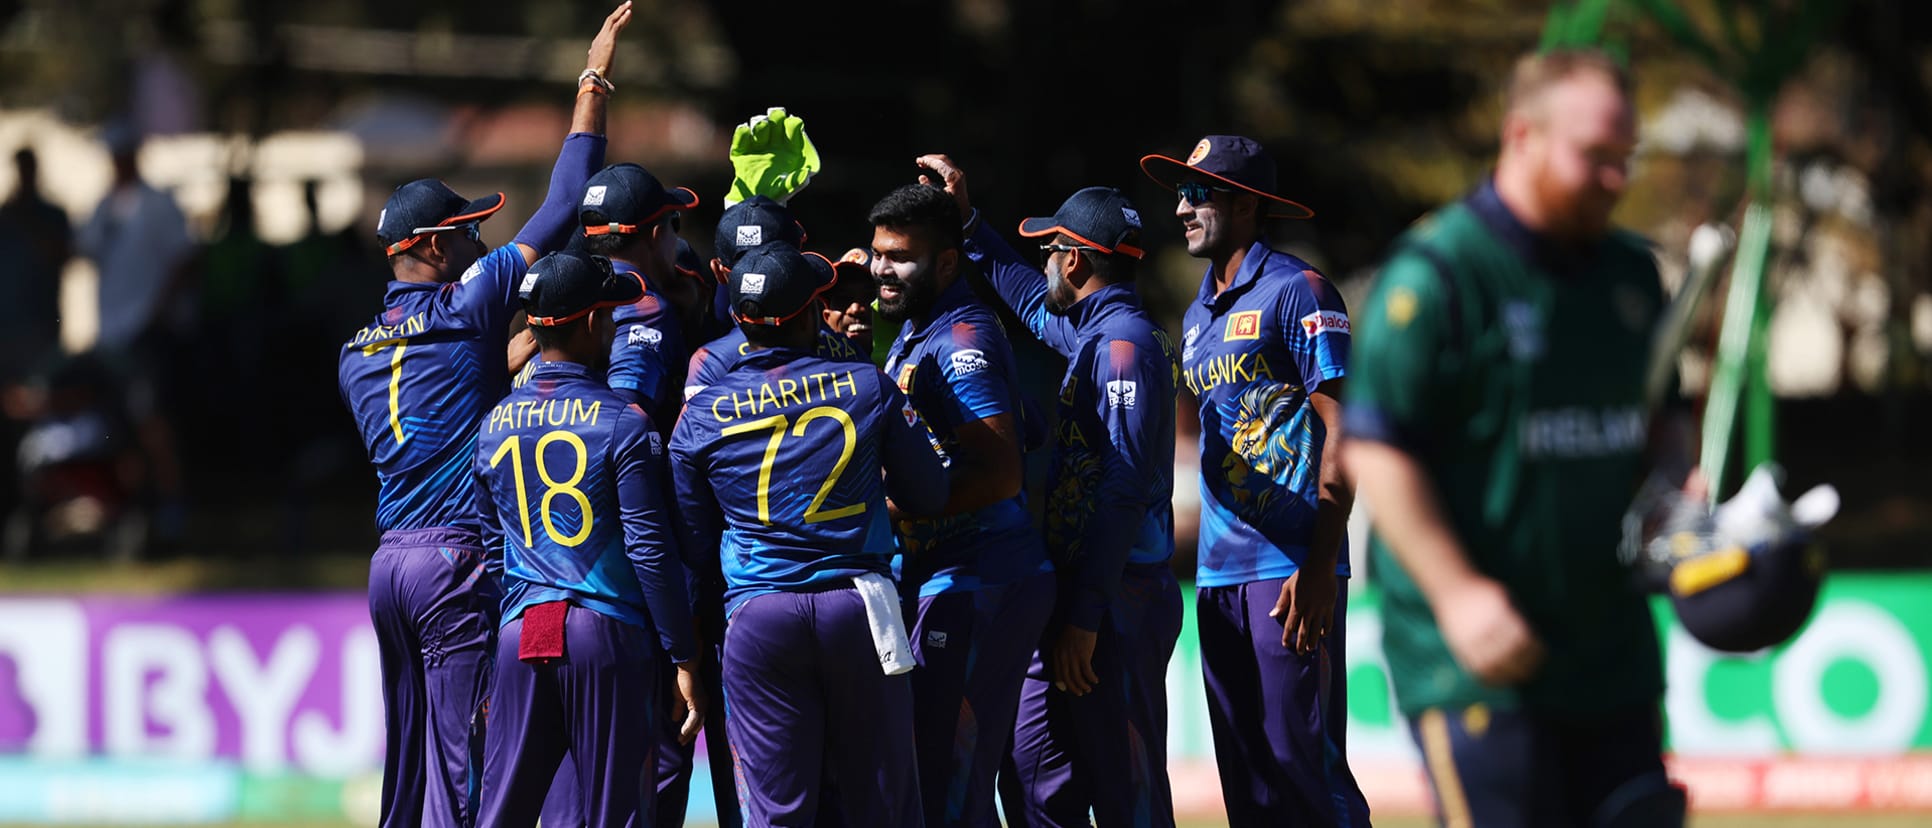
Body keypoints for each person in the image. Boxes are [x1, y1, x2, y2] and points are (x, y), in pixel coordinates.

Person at [1345, 49, 1691, 828]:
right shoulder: (1437, 278)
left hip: (1611, 656)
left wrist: (1676, 486)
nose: (1616, 180)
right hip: (1477, 669)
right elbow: (1377, 448)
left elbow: (1664, 419)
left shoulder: (1632, 277)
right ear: (1521, 136)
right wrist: (1458, 592)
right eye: (1594, 158)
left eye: (1624, 159)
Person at [335, 5, 631, 825]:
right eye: (465, 232)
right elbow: (567, 201)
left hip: (387, 566)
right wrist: (593, 79)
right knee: (464, 772)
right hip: (454, 562)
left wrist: (527, 348)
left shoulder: (357, 348)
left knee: (409, 771)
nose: (480, 240)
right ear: (430, 246)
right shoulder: (469, 301)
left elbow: (454, 396)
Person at [921, 154, 1184, 827]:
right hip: (1078, 593)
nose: (1042, 262)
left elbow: (1124, 488)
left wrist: (1087, 615)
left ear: (1075, 262)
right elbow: (1034, 307)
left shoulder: (1123, 347)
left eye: (1049, 249)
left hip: (1116, 601)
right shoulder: (1095, 331)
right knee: (1039, 781)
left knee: (1130, 794)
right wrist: (969, 221)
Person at [670, 241, 947, 825]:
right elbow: (930, 494)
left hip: (757, 615)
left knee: (778, 814)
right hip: (859, 609)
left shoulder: (698, 415)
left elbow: (691, 544)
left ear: (740, 322)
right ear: (809, 315)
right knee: (885, 807)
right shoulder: (867, 383)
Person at [1137, 134, 1367, 826]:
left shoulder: (1299, 291)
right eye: (1180, 193)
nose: (1181, 208)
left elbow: (1344, 436)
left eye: (1198, 193)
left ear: (1244, 204)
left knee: (1304, 768)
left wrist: (1320, 563)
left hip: (1291, 571)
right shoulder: (1197, 314)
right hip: (1216, 576)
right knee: (1248, 777)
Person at [473, 250, 704, 828]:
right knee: (617, 812)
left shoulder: (492, 422)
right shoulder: (624, 421)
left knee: (502, 811)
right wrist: (684, 653)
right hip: (605, 634)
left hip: (522, 630)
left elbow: (490, 540)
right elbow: (650, 550)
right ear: (596, 323)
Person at [869, 183, 1053, 827]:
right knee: (942, 775)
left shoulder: (961, 337)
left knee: (950, 781)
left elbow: (1001, 472)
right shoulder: (918, 333)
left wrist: (892, 507)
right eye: (878, 253)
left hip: (983, 578)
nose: (881, 270)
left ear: (948, 263)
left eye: (900, 257)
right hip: (949, 575)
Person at [75, 121, 194, 553]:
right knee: (120, 427)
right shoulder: (104, 208)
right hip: (113, 337)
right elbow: (82, 252)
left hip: (147, 332)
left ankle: (171, 506)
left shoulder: (157, 204)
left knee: (153, 423)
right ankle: (133, 510)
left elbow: (184, 259)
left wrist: (158, 311)